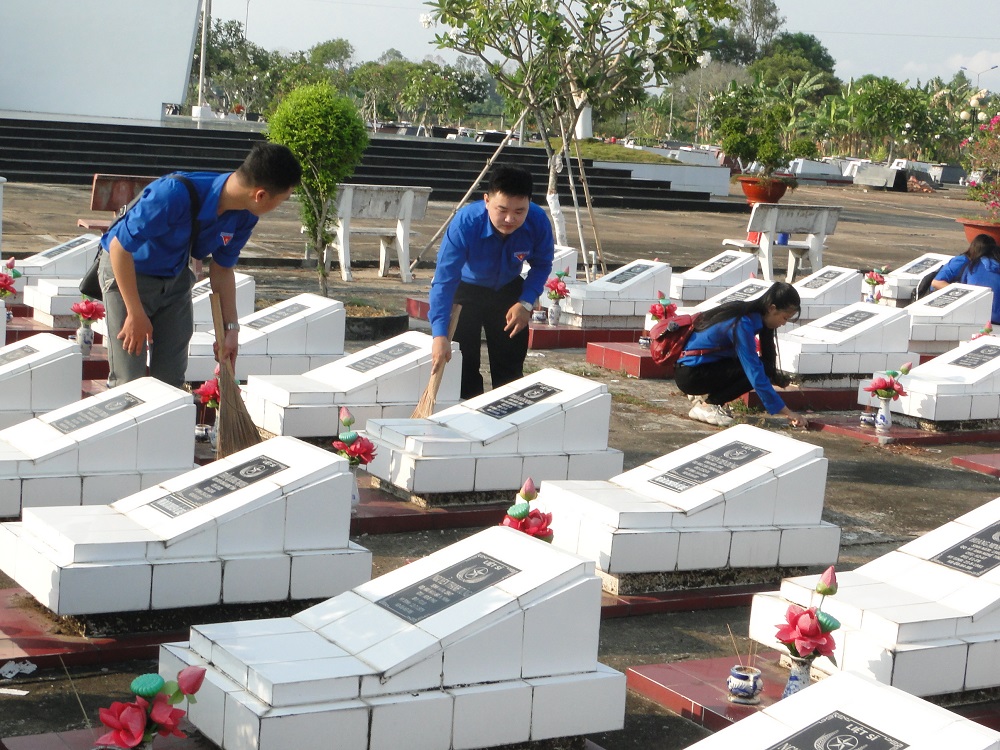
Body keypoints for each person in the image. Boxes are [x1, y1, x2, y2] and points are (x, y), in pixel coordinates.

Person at [98, 142, 301, 388]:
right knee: (130, 379)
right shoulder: (172, 194)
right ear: (260, 195)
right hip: (129, 274)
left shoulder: (245, 214)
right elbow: (119, 249)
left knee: (170, 380)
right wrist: (135, 312)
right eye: (281, 200)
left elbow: (222, 268)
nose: (278, 208)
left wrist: (231, 329)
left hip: (174, 277)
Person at [429, 165, 554, 398]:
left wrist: (526, 302)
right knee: (463, 365)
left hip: (508, 289)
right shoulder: (465, 224)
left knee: (510, 368)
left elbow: (542, 264)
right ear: (487, 200)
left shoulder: (537, 221)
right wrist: (439, 335)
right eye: (502, 209)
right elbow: (444, 280)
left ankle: (507, 412)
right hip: (466, 289)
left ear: (529, 204)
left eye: (519, 211)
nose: (510, 219)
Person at [674, 281, 808, 428]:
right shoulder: (742, 323)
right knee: (757, 369)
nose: (783, 323)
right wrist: (788, 412)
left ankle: (704, 397)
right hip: (691, 374)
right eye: (785, 318)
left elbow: (767, 362)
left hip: (697, 368)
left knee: (764, 367)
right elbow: (754, 371)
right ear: (772, 308)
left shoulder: (753, 316)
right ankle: (707, 406)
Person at [931, 233, 1000, 324]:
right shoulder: (994, 265)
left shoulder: (969, 264)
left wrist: (961, 294)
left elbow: (936, 283)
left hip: (975, 315)